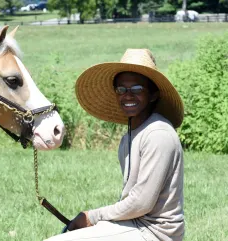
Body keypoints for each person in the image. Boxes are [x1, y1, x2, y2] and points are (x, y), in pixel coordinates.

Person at [45, 49, 184, 241]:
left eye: (136, 89)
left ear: (153, 95)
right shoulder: (129, 137)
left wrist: (92, 217)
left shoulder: (158, 134)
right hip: (134, 225)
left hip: (155, 232)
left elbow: (141, 203)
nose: (128, 96)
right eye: (121, 89)